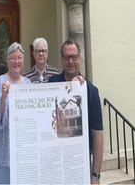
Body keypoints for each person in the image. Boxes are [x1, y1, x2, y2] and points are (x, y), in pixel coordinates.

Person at [49, 40, 103, 184]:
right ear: (61, 60)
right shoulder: (51, 86)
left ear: (80, 58)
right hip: (55, 161)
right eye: (67, 57)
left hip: (79, 162)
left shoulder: (90, 91)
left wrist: (95, 175)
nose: (70, 61)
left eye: (74, 57)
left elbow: (97, 133)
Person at [0, 42, 31, 184]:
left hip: (22, 145)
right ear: (7, 60)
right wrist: (3, 96)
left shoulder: (28, 83)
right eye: (12, 58)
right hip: (3, 145)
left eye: (19, 57)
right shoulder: (0, 81)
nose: (16, 61)